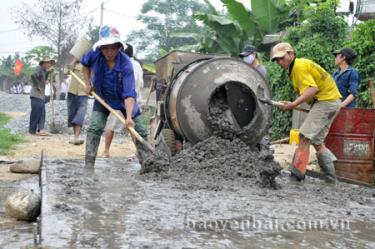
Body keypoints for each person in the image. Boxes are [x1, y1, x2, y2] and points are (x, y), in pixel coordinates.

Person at [271, 42, 342, 183]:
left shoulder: (299, 66)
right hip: (330, 101)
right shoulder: (297, 66)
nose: (279, 62)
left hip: (326, 101)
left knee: (304, 136)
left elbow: (312, 89)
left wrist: (293, 104)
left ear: (291, 54)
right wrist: (291, 103)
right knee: (317, 141)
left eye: (281, 57)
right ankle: (331, 178)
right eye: (276, 60)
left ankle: (296, 175)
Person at [81, 25, 148, 167]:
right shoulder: (93, 55)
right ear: (101, 48)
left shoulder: (126, 64)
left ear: (119, 47)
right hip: (103, 98)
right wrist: (88, 83)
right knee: (95, 126)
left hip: (124, 100)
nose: (110, 52)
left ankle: (148, 164)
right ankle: (89, 164)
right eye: (106, 48)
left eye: (113, 48)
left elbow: (130, 94)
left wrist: (129, 117)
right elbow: (84, 65)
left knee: (140, 130)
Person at [102, 43, 144, 158]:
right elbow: (141, 82)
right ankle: (138, 151)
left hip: (121, 100)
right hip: (135, 99)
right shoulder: (137, 64)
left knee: (111, 126)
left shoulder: (121, 63)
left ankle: (106, 151)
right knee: (132, 126)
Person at [29, 56, 55, 136]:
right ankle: (32, 131)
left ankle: (40, 129)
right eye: (48, 63)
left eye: (50, 63)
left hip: (40, 96)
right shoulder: (39, 68)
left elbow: (44, 78)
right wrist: (37, 86)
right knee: (36, 113)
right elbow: (33, 75)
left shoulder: (43, 71)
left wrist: (48, 73)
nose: (49, 64)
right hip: (36, 95)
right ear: (43, 63)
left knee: (42, 112)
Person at [67, 58, 88, 145]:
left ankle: (76, 136)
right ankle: (76, 136)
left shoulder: (89, 64)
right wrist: (74, 59)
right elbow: (66, 71)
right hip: (72, 92)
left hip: (83, 93)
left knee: (80, 114)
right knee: (72, 114)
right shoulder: (74, 64)